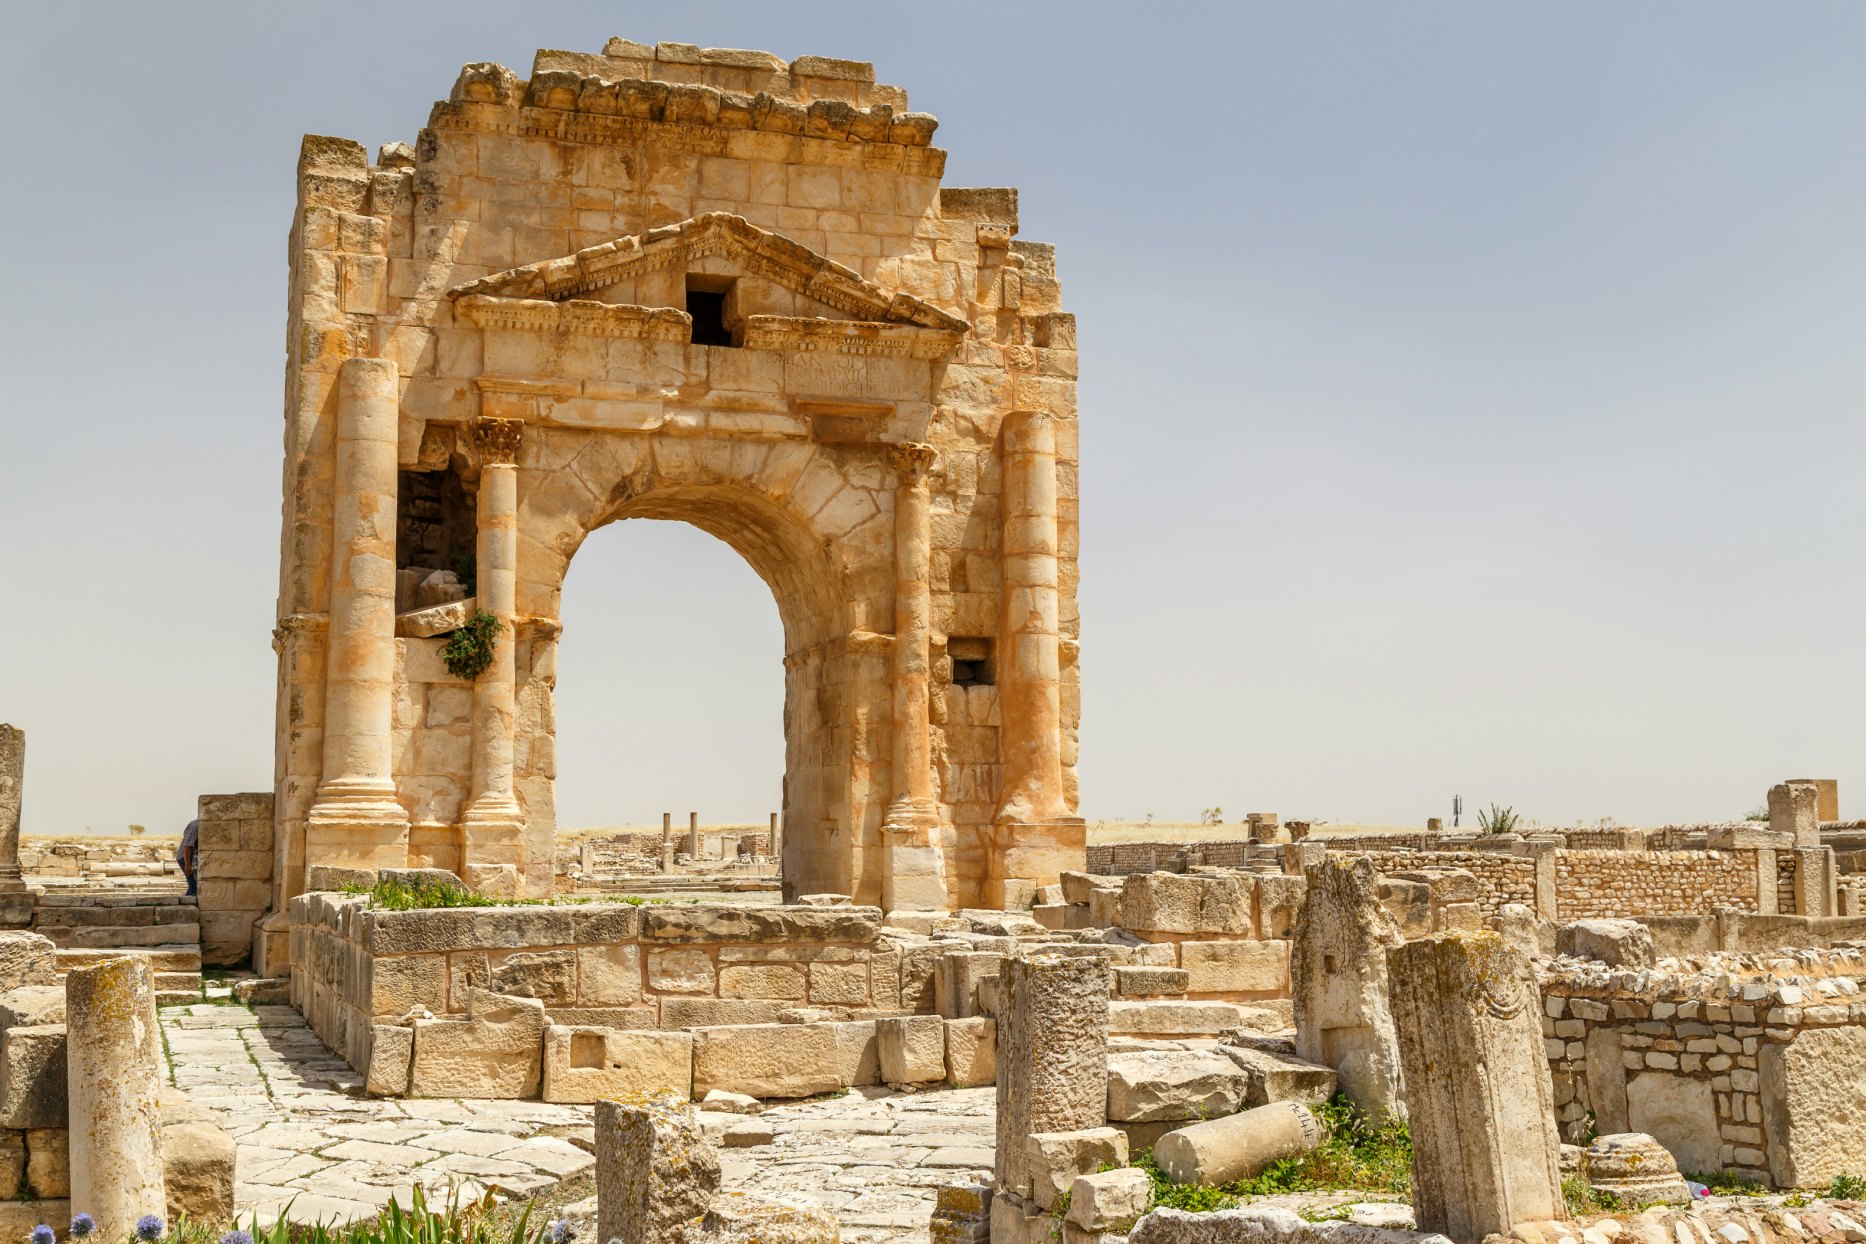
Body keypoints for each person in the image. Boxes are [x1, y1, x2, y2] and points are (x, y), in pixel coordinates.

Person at [177, 818, 199, 897]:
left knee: (193, 884)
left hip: (193, 857)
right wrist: (187, 864)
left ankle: (185, 903)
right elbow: (187, 846)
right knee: (194, 885)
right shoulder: (196, 825)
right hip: (185, 857)